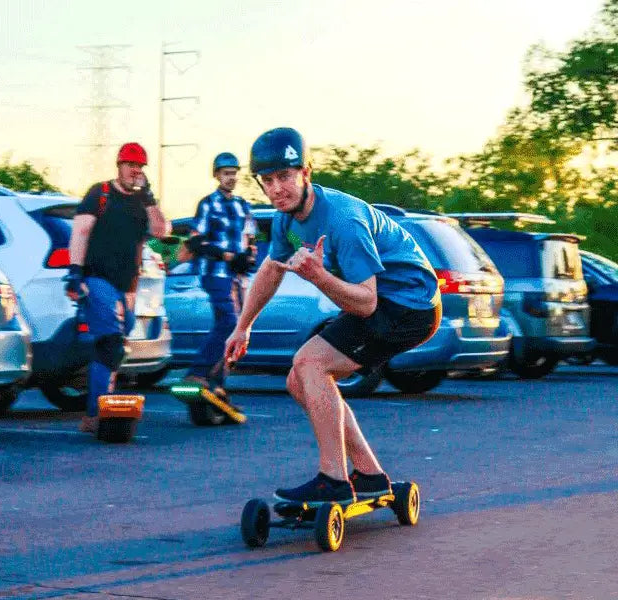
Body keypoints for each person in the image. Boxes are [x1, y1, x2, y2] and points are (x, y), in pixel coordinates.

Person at [225, 128, 441, 502]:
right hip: (385, 302)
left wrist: (319, 276)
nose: (277, 189)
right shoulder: (285, 218)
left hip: (410, 306)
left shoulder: (344, 221)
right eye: (268, 181)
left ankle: (334, 479)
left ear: (306, 173)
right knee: (299, 379)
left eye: (285, 177)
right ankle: (369, 473)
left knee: (310, 363)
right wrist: (242, 327)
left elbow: (367, 303)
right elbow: (271, 269)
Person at [65, 142, 169, 433]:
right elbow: (80, 232)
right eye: (130, 165)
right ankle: (95, 413)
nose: (134, 171)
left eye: (139, 167)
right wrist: (75, 272)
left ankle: (100, 405)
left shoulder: (141, 203)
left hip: (128, 285)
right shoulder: (100, 193)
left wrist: (149, 197)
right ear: (119, 165)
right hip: (98, 278)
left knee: (117, 348)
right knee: (110, 342)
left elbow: (161, 231)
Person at [179, 152, 257, 403]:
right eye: (226, 174)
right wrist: (226, 256)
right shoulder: (208, 204)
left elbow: (251, 237)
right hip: (215, 273)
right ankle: (197, 372)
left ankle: (217, 384)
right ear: (217, 176)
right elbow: (195, 240)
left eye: (234, 173)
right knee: (228, 321)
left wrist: (248, 258)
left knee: (239, 331)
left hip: (237, 276)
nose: (230, 178)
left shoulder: (243, 205)